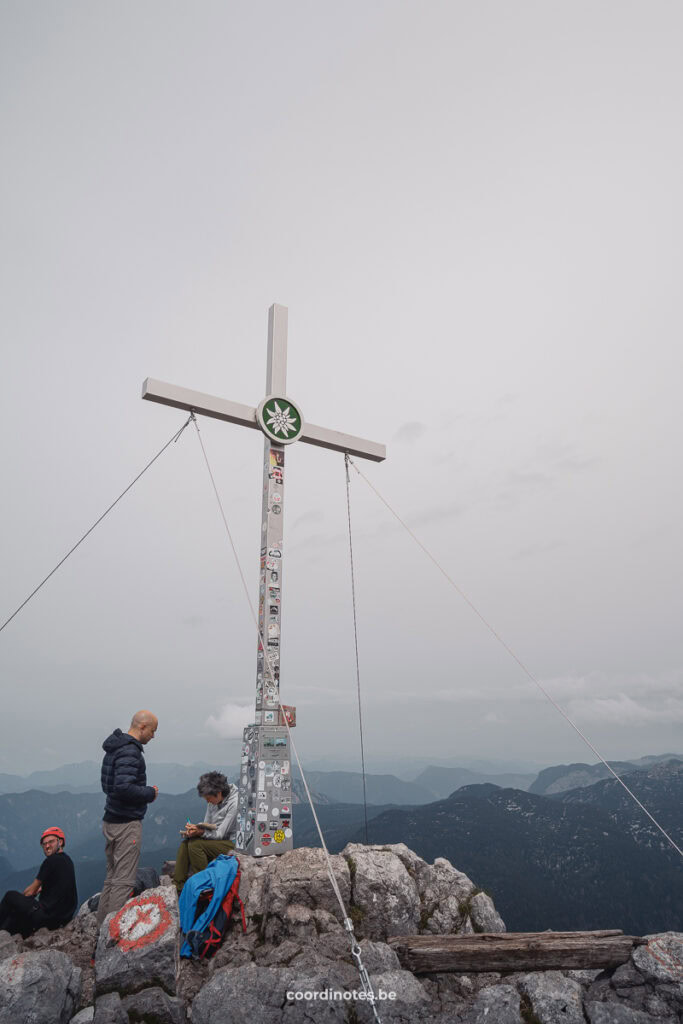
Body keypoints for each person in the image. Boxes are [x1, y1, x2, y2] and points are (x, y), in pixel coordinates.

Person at [96, 710, 158, 926]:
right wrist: (150, 793)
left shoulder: (114, 748)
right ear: (142, 727)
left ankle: (100, 937)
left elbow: (108, 786)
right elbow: (124, 787)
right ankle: (111, 939)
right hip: (126, 824)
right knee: (123, 882)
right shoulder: (130, 752)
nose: (153, 736)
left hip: (110, 819)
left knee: (111, 880)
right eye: (152, 730)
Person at [0, 826, 77, 938]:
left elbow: (30, 892)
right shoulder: (68, 861)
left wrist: (25, 899)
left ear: (60, 842)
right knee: (16, 917)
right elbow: (60, 887)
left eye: (51, 842)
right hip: (61, 919)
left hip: (46, 916)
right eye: (44, 844)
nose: (47, 846)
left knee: (10, 896)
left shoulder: (50, 861)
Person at [173, 771, 238, 894]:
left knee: (195, 845)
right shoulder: (214, 801)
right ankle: (178, 886)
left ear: (218, 793)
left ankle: (205, 884)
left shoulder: (235, 803)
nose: (208, 802)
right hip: (216, 841)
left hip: (231, 843)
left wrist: (201, 833)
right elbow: (206, 824)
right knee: (186, 843)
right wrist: (195, 831)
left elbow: (220, 834)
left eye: (209, 798)